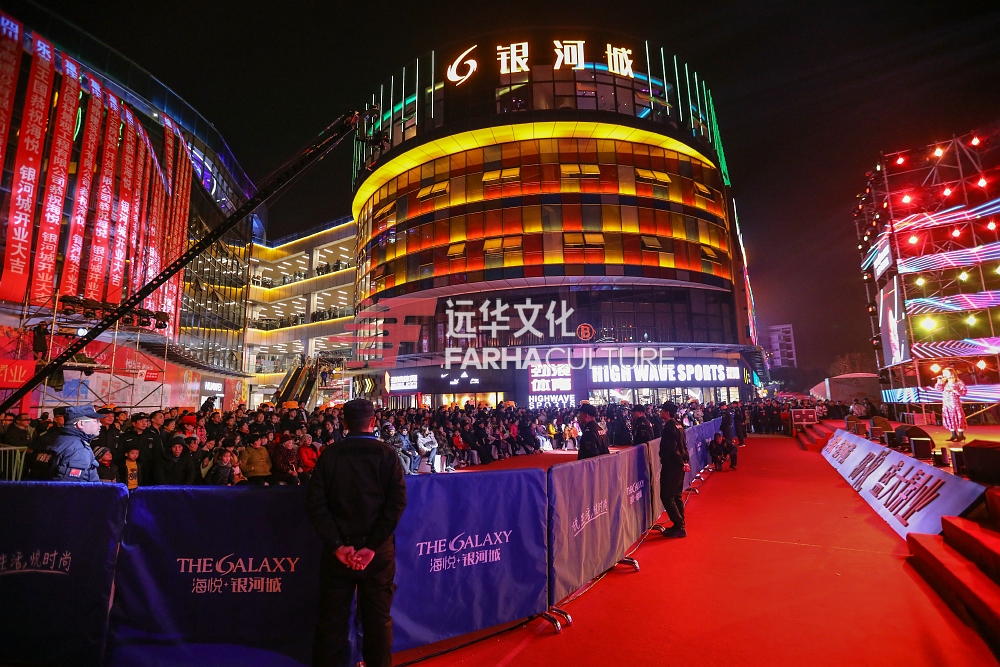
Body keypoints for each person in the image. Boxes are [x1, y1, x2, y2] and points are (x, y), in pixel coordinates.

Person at [306, 399, 406, 667]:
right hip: (377, 553)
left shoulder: (330, 454)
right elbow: (396, 504)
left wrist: (338, 545)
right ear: (373, 422)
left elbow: (316, 504)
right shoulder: (387, 454)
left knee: (332, 620)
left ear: (344, 423)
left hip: (338, 553)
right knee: (378, 620)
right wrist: (372, 546)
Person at [25, 406, 103, 482]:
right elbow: (68, 485)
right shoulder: (78, 448)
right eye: (96, 421)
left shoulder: (60, 439)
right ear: (81, 424)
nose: (100, 424)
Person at [658, 402, 690, 538]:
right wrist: (685, 461)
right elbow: (683, 446)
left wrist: (681, 462)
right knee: (676, 495)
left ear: (667, 412)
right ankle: (680, 523)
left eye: (662, 411)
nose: (660, 413)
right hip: (679, 464)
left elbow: (672, 448)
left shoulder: (669, 427)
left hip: (672, 466)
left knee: (667, 496)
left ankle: (679, 525)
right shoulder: (679, 425)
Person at [935, 367, 969, 442]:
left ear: (951, 373)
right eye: (943, 373)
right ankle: (953, 434)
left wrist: (954, 390)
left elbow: (963, 392)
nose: (944, 374)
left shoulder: (958, 382)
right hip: (946, 403)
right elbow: (938, 389)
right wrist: (939, 381)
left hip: (954, 403)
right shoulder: (945, 383)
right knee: (949, 417)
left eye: (946, 373)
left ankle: (961, 435)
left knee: (958, 417)